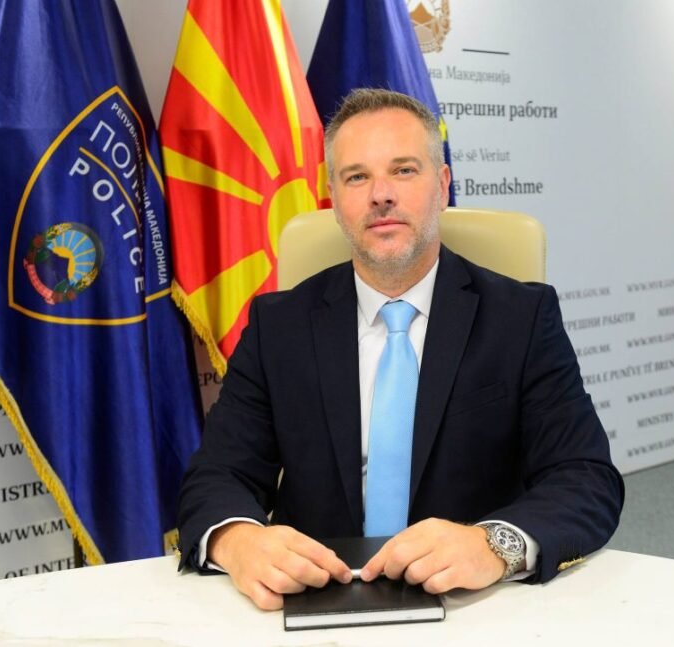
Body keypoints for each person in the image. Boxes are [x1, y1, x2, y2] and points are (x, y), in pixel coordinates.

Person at [177, 88, 624, 611]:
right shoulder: (278, 325)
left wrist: (493, 544)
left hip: (474, 606)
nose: (380, 195)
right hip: (316, 601)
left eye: (404, 170)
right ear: (333, 197)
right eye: (357, 177)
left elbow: (585, 477)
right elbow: (218, 474)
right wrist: (237, 541)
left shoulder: (521, 318)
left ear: (443, 185)